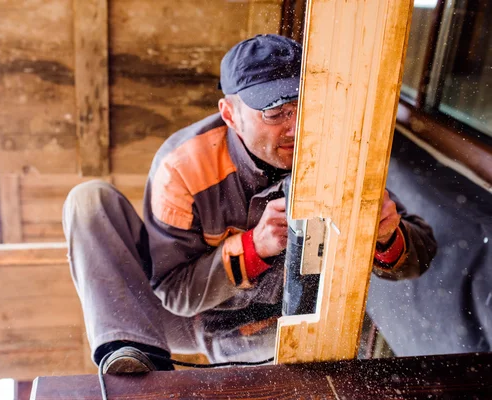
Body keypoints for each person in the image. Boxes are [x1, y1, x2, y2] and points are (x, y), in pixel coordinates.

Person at [62, 34, 437, 374]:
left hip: (293, 315)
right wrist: (253, 247)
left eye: (300, 107)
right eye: (274, 114)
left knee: (360, 371)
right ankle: (137, 361)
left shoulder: (333, 146)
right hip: (196, 319)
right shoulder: (182, 168)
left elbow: (421, 256)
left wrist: (387, 236)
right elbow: (174, 292)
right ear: (230, 115)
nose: (294, 127)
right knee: (87, 201)